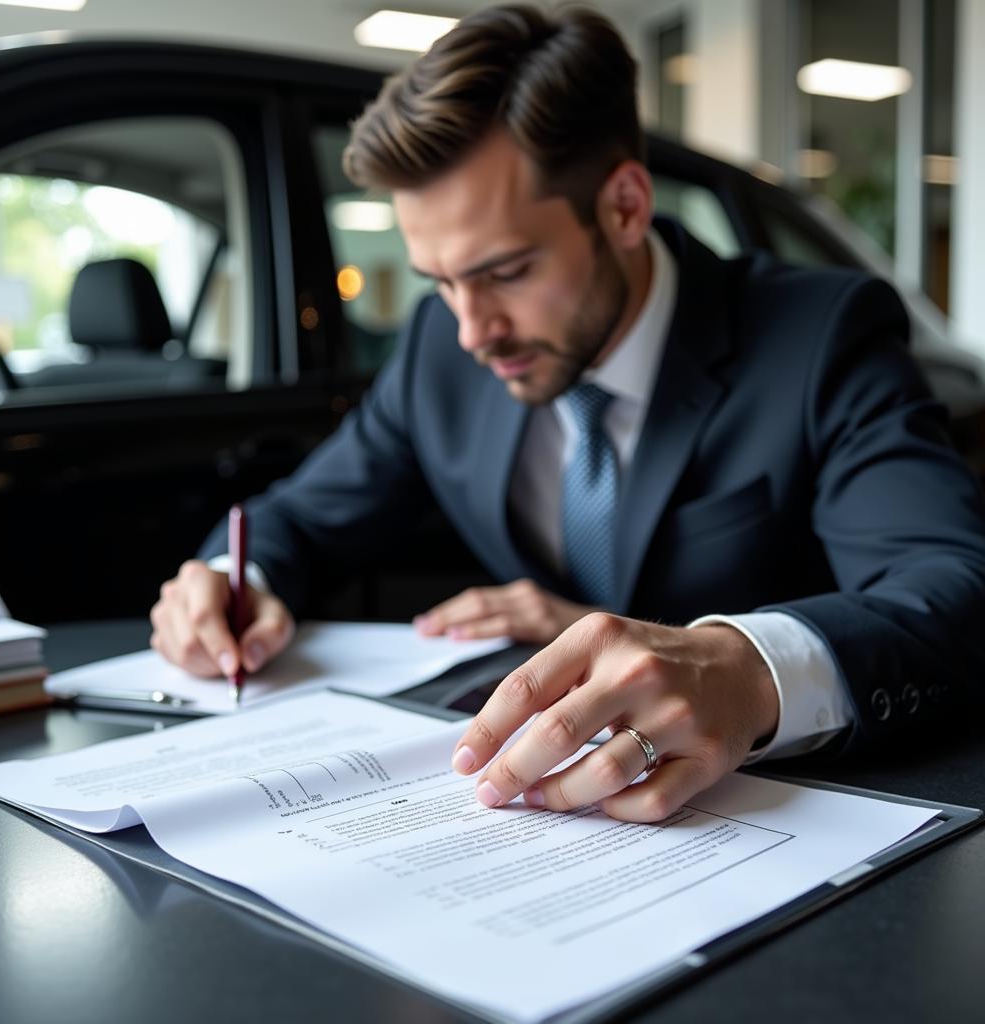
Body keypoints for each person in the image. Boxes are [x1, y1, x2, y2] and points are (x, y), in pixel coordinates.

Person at [150, 4, 985, 823]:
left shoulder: (818, 338)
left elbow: (952, 589)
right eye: (440, 279)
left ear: (624, 206)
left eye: (505, 271)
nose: (472, 330)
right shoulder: (442, 344)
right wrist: (230, 583)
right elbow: (301, 516)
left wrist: (739, 667)